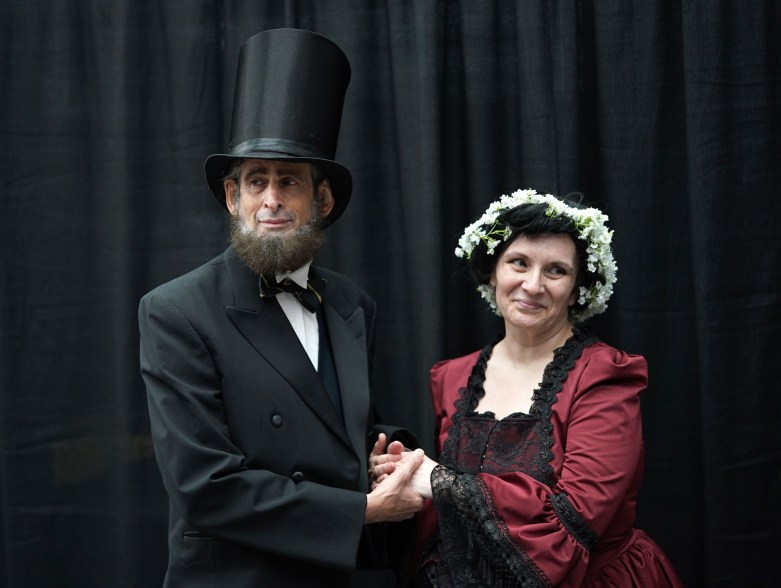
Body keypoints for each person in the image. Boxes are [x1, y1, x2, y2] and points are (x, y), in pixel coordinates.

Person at [138, 29, 424, 588]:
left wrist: (383, 455)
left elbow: (343, 428)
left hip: (345, 573)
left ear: (321, 200)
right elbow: (204, 486)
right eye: (255, 181)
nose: (270, 199)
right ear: (232, 197)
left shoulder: (351, 303)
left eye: (288, 181)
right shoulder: (175, 311)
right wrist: (361, 511)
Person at [372, 189, 683, 586]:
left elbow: (576, 518)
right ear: (492, 271)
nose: (533, 285)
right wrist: (399, 474)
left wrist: (436, 480)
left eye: (556, 270)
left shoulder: (604, 374)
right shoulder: (453, 375)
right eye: (518, 263)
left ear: (576, 288)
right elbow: (452, 512)